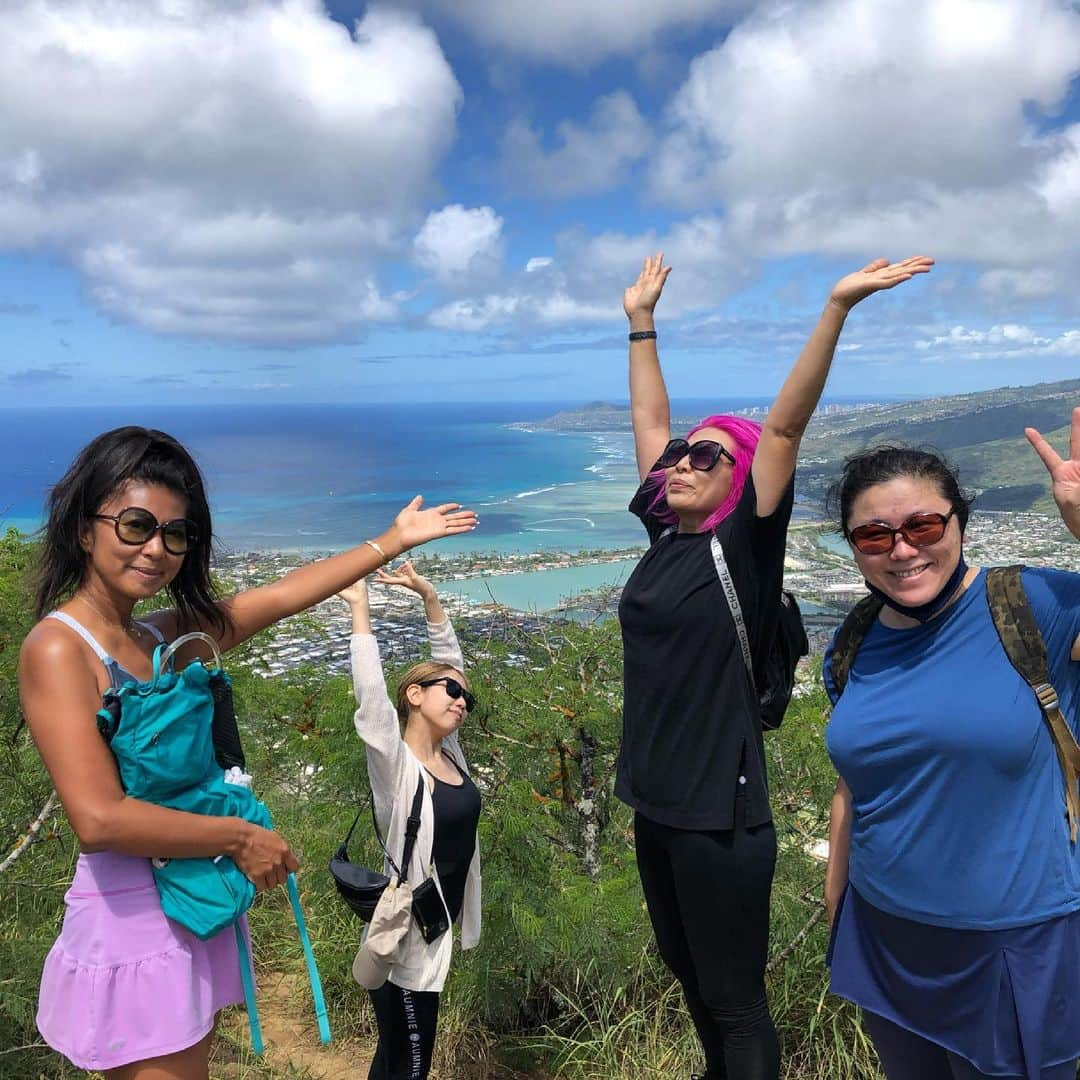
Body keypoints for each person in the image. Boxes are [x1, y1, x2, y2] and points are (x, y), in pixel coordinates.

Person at [18, 425, 477, 1080]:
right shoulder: (59, 648)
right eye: (136, 526)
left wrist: (391, 542)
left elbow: (284, 596)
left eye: (176, 534)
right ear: (84, 528)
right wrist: (238, 838)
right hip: (132, 918)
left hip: (188, 901)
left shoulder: (153, 635)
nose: (157, 549)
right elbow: (98, 819)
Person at [617, 252, 933, 1080]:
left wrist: (836, 307)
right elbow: (654, 427)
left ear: (742, 480)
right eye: (682, 455)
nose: (684, 462)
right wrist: (640, 324)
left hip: (722, 812)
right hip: (655, 801)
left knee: (733, 1000)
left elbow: (785, 428)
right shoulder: (667, 539)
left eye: (709, 457)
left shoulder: (742, 546)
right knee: (690, 983)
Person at [822, 415, 1080, 1080]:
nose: (902, 550)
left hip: (1016, 947)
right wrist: (837, 910)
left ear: (960, 522)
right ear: (854, 547)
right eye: (875, 535)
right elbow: (854, 786)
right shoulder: (851, 644)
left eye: (924, 527)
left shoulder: (1036, 605)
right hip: (884, 941)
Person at [338, 561, 481, 1080]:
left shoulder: (453, 756)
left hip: (434, 930)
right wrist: (360, 613)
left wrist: (430, 598)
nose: (462, 701)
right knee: (412, 1066)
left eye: (467, 697)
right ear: (415, 697)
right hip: (407, 942)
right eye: (451, 691)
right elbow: (372, 704)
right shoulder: (397, 769)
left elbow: (450, 660)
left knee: (395, 1059)